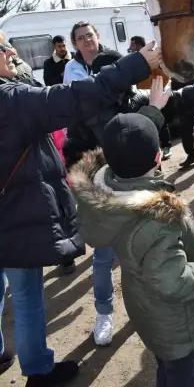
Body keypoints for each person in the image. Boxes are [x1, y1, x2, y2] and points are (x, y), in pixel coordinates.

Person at [0, 40, 160, 384]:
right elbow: (72, 99)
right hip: (13, 218)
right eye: (2, 49)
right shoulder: (8, 100)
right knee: (27, 296)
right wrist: (136, 64)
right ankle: (39, 372)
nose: (12, 54)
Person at [69, 90, 194, 387]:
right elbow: (171, 281)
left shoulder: (106, 189)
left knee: (167, 369)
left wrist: (154, 109)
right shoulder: (157, 219)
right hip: (176, 324)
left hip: (146, 310)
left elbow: (126, 141)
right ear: (159, 156)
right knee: (180, 375)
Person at [63, 20, 125, 346]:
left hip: (128, 169)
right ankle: (104, 312)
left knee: (139, 245)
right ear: (76, 44)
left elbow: (132, 102)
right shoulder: (73, 73)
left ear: (98, 38)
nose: (88, 41)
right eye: (81, 38)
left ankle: (146, 304)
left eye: (91, 35)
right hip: (94, 172)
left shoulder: (114, 61)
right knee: (102, 254)